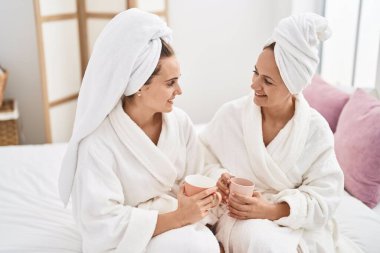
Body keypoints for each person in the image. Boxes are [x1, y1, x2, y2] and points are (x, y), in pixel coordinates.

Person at [58, 9, 220, 253]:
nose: (180, 91)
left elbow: (197, 174)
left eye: (178, 79)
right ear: (139, 85)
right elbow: (102, 223)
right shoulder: (99, 142)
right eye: (170, 83)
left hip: (179, 221)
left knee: (205, 243)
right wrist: (178, 217)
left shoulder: (180, 122)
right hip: (135, 237)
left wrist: (215, 185)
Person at [200, 13, 344, 253]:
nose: (254, 84)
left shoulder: (315, 130)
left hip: (290, 223)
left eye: (267, 80)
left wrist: (270, 209)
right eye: (255, 72)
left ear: (293, 85)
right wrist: (220, 177)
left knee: (265, 241)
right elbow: (201, 157)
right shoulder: (232, 114)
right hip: (236, 214)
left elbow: (324, 198)